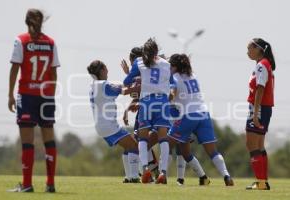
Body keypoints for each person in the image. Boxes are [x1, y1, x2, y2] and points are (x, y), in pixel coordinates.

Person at [8, 9, 59, 193]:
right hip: (46, 96)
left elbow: (15, 69)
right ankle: (50, 184)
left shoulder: (21, 40)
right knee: (49, 140)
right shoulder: (51, 43)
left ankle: (27, 185)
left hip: (27, 95)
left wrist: (10, 95)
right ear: (41, 22)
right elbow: (54, 72)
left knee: (27, 142)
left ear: (26, 21)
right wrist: (50, 95)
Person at [167, 54, 234, 186]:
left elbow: (172, 95)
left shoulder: (174, 78)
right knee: (212, 151)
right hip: (203, 114)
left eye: (170, 65)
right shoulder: (194, 76)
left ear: (174, 67)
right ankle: (226, 176)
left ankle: (161, 175)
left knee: (166, 144)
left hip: (188, 115)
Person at [123, 38, 171, 184]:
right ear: (157, 50)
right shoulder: (166, 64)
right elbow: (170, 83)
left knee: (142, 139)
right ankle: (163, 173)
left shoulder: (139, 62)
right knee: (163, 139)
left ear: (145, 51)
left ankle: (145, 171)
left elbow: (127, 82)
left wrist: (128, 73)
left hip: (146, 102)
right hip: (162, 102)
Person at [88, 60, 140, 183]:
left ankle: (128, 177)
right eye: (106, 68)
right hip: (108, 126)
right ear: (101, 70)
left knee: (128, 148)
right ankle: (134, 177)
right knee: (134, 146)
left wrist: (130, 75)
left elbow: (121, 86)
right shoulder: (103, 85)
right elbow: (125, 91)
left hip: (103, 126)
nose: (107, 70)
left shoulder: (95, 85)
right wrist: (141, 86)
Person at [245, 38, 275, 190]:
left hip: (259, 109)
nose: (247, 52)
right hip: (264, 108)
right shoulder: (264, 64)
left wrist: (255, 114)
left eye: (249, 48)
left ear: (258, 49)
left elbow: (260, 89)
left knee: (251, 146)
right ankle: (263, 182)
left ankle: (261, 183)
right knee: (259, 146)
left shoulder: (262, 65)